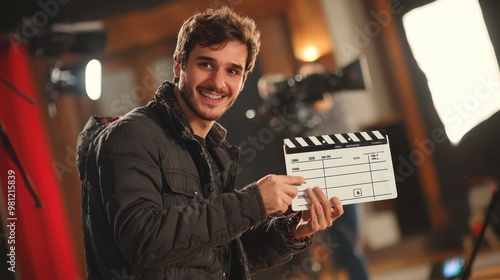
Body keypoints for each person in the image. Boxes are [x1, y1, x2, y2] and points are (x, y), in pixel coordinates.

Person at [76, 6, 344, 280]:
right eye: (206, 64)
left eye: (232, 71)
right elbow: (144, 242)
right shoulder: (130, 136)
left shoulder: (214, 150)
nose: (218, 82)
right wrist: (253, 202)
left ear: (242, 83)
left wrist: (293, 230)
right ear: (178, 65)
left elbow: (221, 259)